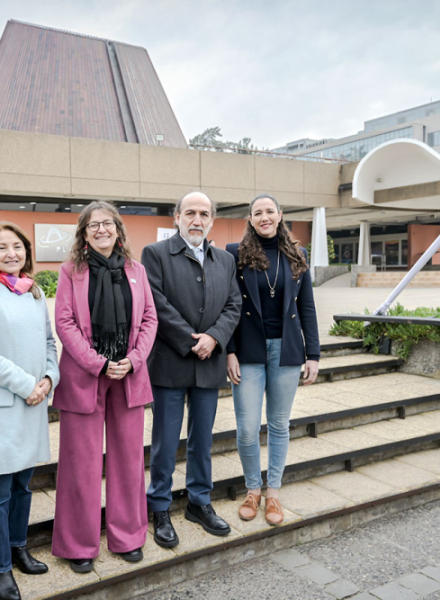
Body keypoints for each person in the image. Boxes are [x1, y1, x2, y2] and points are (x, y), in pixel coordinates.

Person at [51, 201, 158, 572]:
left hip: (128, 376)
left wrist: (134, 359)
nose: (101, 230)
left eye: (107, 223)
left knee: (128, 461)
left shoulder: (136, 270)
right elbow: (64, 322)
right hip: (86, 376)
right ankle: (79, 543)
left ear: (118, 229)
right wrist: (98, 363)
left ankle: (128, 536)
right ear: (83, 232)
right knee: (80, 463)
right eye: (93, 225)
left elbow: (149, 318)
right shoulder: (70, 272)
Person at [0, 222, 59, 600]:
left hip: (34, 401)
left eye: (17, 246)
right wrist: (26, 385)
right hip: (3, 404)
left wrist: (49, 379)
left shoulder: (33, 292)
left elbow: (50, 343)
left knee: (23, 485)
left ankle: (18, 547)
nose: (11, 254)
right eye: (2, 248)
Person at [141, 191, 242, 547]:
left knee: (202, 441)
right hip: (170, 361)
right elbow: (156, 303)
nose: (197, 219)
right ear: (177, 218)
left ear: (212, 219)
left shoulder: (225, 260)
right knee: (165, 442)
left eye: (203, 213)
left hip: (209, 363)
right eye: (190, 213)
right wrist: (190, 339)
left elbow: (234, 304)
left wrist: (214, 338)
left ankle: (199, 503)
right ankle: (160, 507)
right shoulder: (155, 255)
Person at [226, 194, 320, 525]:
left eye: (270, 211)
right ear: (250, 219)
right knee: (248, 427)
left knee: (279, 424)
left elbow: (306, 306)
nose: (264, 217)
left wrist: (314, 354)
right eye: (257, 213)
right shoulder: (234, 254)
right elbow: (229, 306)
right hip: (249, 351)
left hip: (287, 351)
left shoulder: (298, 254)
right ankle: (253, 489)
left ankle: (274, 493)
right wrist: (230, 350)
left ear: (280, 215)